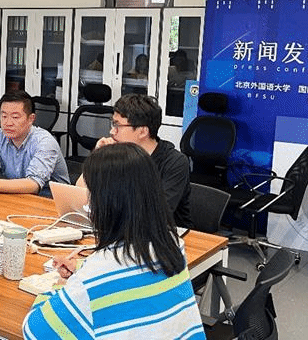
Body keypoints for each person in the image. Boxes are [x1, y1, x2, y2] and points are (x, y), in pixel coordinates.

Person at [23, 143, 204, 339]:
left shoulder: (93, 279)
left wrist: (61, 286)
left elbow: (34, 331)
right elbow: (133, 275)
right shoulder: (172, 243)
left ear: (104, 204)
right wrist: (83, 267)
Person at [81, 93, 192, 228]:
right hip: (122, 228)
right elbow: (80, 192)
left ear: (142, 131)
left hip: (165, 233)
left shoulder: (175, 162)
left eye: (117, 125)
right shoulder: (118, 154)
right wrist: (97, 156)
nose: (112, 131)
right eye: (112, 124)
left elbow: (157, 213)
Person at [0, 91, 70, 193]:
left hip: (50, 198)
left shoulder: (44, 142)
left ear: (31, 119)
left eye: (15, 117)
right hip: (17, 194)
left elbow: (34, 184)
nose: (8, 123)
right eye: (4, 116)